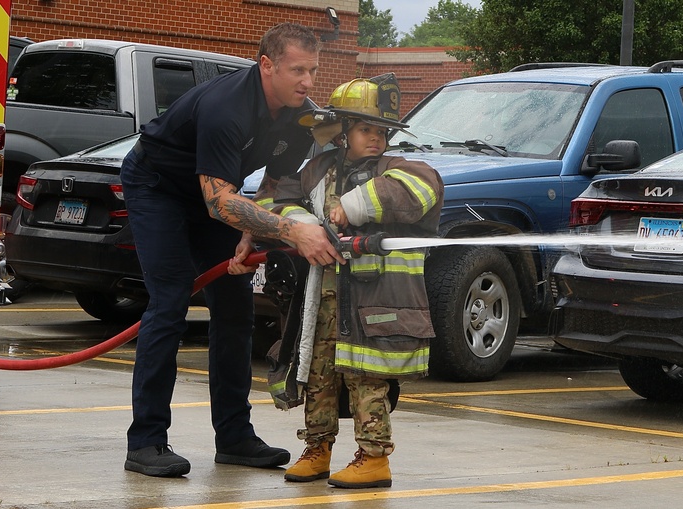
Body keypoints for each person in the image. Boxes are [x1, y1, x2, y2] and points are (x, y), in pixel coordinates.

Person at [119, 22, 345, 478]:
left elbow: (274, 184)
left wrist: (253, 233)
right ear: (267, 65)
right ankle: (145, 442)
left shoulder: (302, 117)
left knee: (236, 308)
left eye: (313, 70)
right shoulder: (227, 106)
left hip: (217, 198)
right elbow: (218, 200)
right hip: (158, 187)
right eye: (297, 70)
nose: (307, 81)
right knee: (170, 301)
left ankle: (235, 437)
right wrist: (290, 232)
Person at [256, 74, 443, 488]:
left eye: (382, 131)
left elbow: (422, 189)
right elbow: (270, 199)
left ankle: (374, 458)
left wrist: (354, 205)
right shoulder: (318, 169)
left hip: (375, 300)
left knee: (365, 377)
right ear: (342, 133)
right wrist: (303, 222)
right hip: (322, 296)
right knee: (318, 372)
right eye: (365, 130)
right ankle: (317, 449)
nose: (376, 138)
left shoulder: (397, 168)